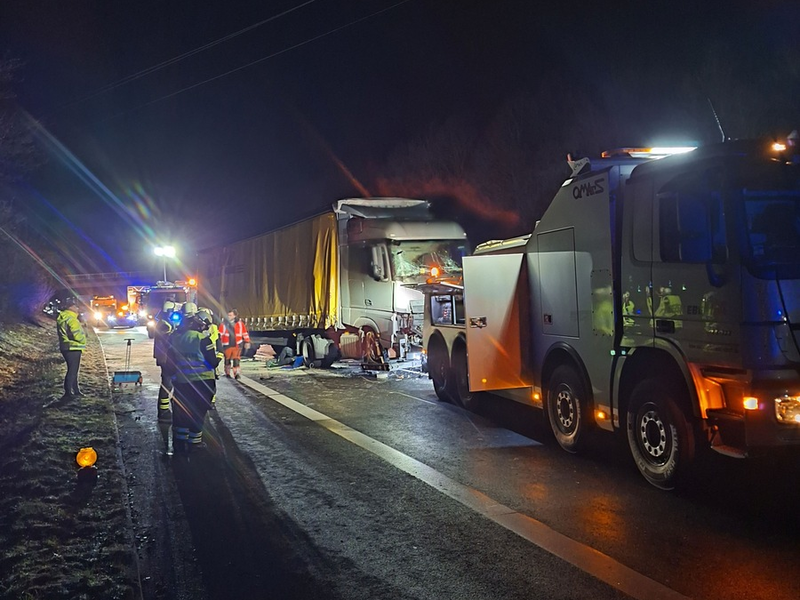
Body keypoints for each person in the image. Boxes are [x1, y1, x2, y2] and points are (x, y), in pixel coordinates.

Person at [168, 302, 220, 454]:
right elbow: (212, 362)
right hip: (203, 383)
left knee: (182, 413)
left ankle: (179, 444)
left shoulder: (175, 339)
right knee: (198, 413)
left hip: (182, 383)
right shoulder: (202, 339)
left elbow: (171, 362)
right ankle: (194, 443)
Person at [56, 298, 87, 399]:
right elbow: (76, 334)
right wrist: (83, 340)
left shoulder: (64, 317)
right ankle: (68, 393)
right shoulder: (71, 319)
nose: (77, 308)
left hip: (66, 347)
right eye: (75, 306)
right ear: (71, 308)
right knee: (72, 371)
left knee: (72, 370)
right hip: (73, 347)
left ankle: (75, 391)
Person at [153, 300, 177, 422]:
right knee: (167, 384)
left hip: (165, 357)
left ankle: (164, 410)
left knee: (168, 384)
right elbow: (169, 340)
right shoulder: (164, 324)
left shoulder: (164, 322)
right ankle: (163, 411)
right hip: (166, 358)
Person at [197, 307, 223, 407]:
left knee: (211, 381)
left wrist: (218, 358)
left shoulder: (213, 329)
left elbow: (219, 345)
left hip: (210, 359)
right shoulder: (200, 331)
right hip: (207, 360)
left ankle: (211, 401)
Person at [219, 308, 250, 380]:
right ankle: (227, 373)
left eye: (230, 315)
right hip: (227, 345)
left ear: (235, 316)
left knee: (236, 360)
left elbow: (244, 333)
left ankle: (237, 374)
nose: (228, 316)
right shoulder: (224, 324)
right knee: (227, 360)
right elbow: (220, 334)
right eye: (228, 315)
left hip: (237, 344)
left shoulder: (240, 324)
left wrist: (247, 341)